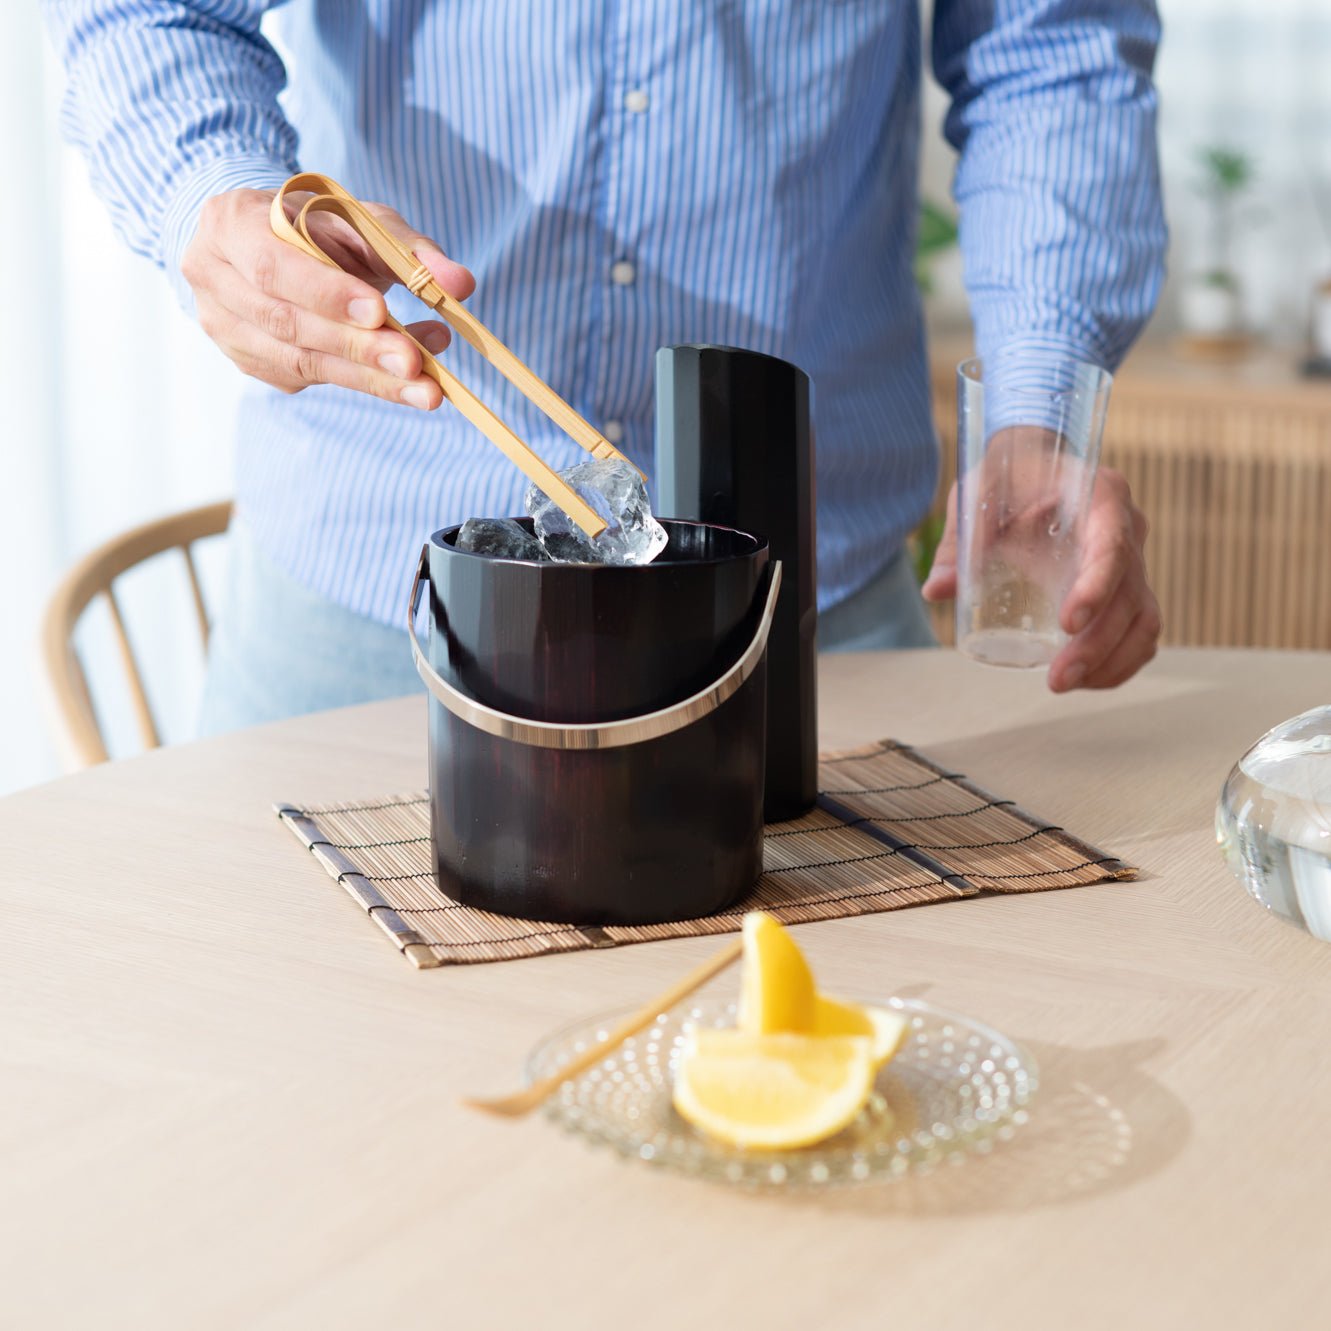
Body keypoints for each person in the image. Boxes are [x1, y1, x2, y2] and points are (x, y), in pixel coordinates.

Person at [42, 1, 1166, 731]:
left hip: (793, 618)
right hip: (365, 593)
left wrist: (1036, 398)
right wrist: (215, 197)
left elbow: (1050, 55)